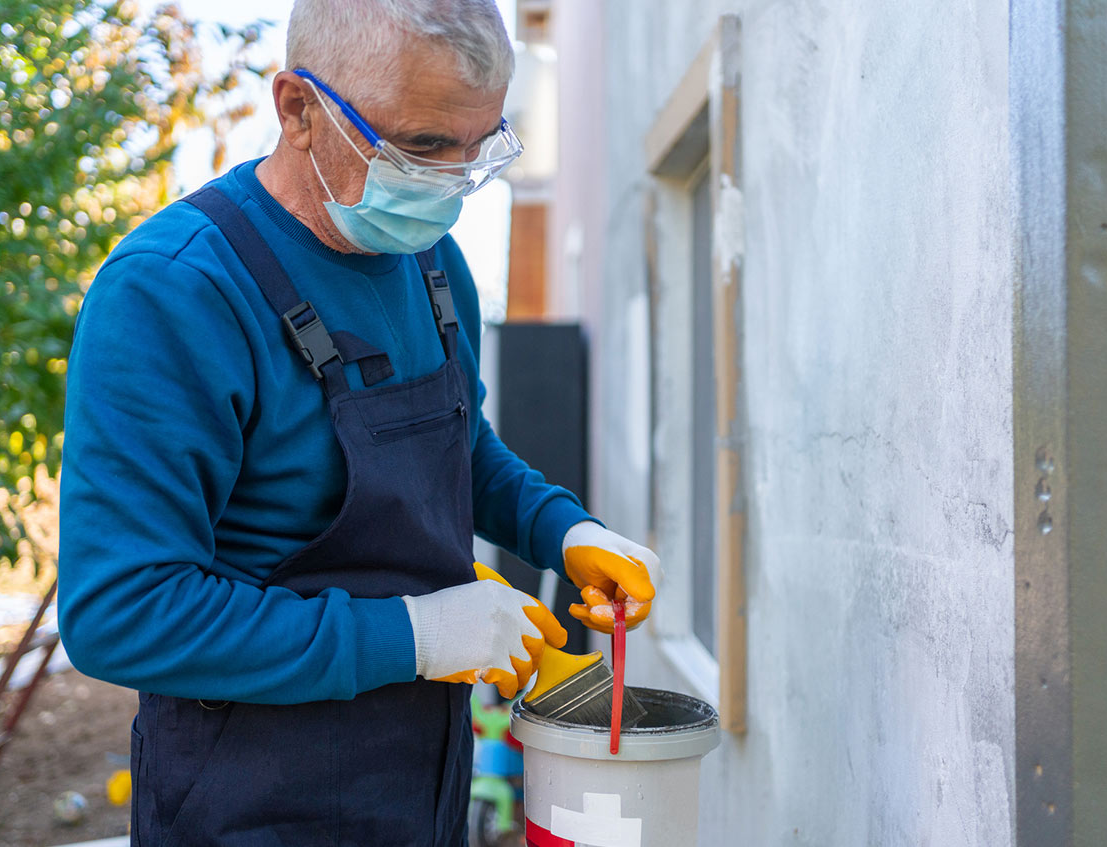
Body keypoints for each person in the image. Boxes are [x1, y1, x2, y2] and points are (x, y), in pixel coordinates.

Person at [57, 1, 659, 844]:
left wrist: (562, 528)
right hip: (251, 805)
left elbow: (461, 445)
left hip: (422, 786)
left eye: (477, 146)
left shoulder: (435, 264)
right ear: (298, 110)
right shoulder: (173, 293)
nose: (452, 181)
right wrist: (411, 635)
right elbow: (123, 611)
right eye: (421, 146)